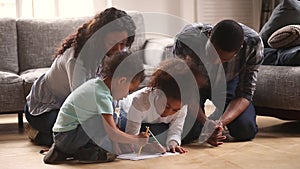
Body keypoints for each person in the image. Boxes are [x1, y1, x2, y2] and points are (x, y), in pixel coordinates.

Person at [24, 7, 137, 147]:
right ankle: (37, 133)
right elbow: (83, 103)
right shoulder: (76, 59)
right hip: (45, 109)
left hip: (72, 109)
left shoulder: (113, 54)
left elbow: (110, 92)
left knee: (107, 130)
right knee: (79, 137)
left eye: (123, 44)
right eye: (113, 43)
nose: (118, 50)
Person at [43, 50, 148, 164]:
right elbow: (112, 132)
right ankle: (72, 151)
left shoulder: (98, 85)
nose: (128, 95)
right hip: (66, 137)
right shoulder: (101, 96)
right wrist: (136, 139)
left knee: (110, 125)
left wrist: (116, 144)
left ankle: (68, 151)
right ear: (121, 81)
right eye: (130, 90)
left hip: (66, 135)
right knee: (101, 123)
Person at [173, 19, 264, 146]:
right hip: (195, 86)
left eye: (224, 59)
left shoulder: (253, 44)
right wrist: (205, 123)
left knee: (245, 130)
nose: (215, 61)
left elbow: (245, 92)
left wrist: (219, 124)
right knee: (188, 133)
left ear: (238, 51)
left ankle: (217, 118)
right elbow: (185, 88)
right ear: (209, 35)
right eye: (211, 53)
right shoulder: (186, 39)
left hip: (228, 83)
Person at [119, 58, 206, 154]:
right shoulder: (140, 101)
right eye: (166, 106)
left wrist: (173, 143)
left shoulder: (182, 105)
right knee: (154, 132)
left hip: (155, 123)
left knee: (190, 129)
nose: (168, 113)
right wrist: (145, 147)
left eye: (175, 110)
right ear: (158, 93)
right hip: (127, 114)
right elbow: (131, 137)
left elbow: (176, 131)